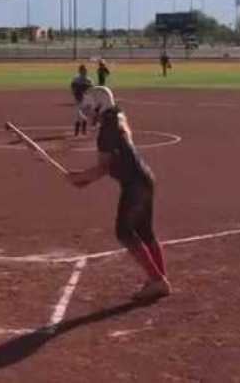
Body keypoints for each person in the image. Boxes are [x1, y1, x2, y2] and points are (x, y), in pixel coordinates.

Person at [66, 86, 171, 301]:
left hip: (134, 185)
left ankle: (157, 280)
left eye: (90, 108)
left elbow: (103, 167)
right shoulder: (118, 117)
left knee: (124, 232)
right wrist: (84, 178)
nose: (88, 113)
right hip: (143, 180)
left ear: (99, 106)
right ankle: (158, 280)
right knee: (145, 232)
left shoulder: (107, 131)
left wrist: (80, 178)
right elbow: (112, 162)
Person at [70, 64, 94, 136]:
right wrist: (76, 94)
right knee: (78, 114)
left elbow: (92, 90)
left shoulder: (89, 80)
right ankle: (76, 131)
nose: (84, 72)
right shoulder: (76, 79)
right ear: (80, 71)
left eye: (85, 70)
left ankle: (84, 130)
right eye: (83, 70)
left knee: (85, 114)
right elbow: (73, 88)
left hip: (86, 99)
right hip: (78, 99)